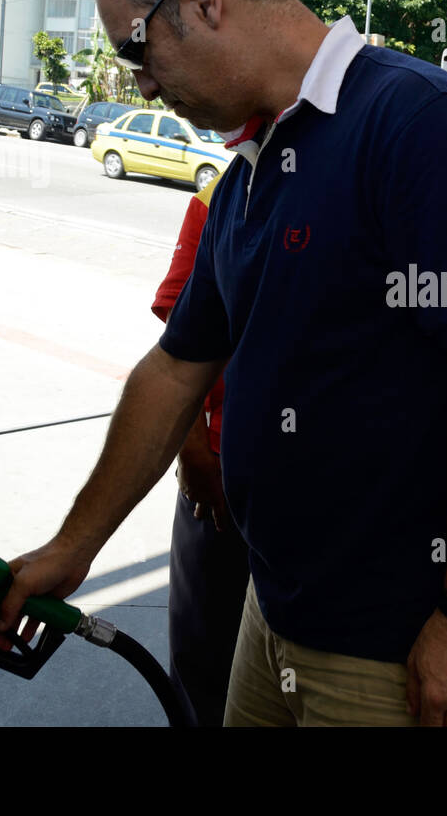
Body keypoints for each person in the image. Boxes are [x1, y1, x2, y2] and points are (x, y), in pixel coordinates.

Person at [0, 0, 447, 727]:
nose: (141, 82)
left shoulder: (417, 124)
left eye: (137, 52)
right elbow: (178, 367)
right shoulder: (254, 164)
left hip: (392, 649)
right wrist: (73, 549)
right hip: (274, 612)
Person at [152, 175, 250, 728]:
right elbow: (177, 346)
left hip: (305, 497)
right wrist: (193, 456)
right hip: (216, 483)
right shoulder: (223, 194)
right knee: (202, 659)